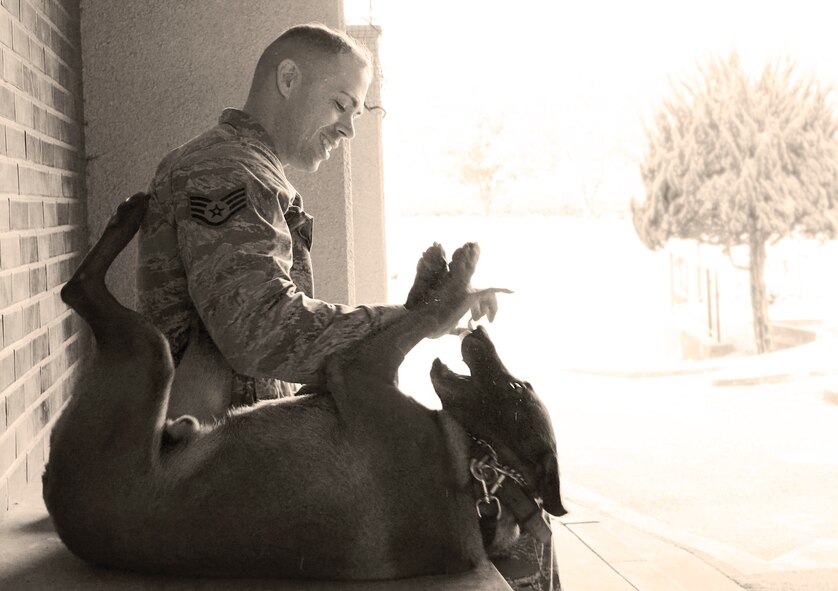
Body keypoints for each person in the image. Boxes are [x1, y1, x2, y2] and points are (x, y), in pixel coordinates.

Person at [137, 22, 556, 590]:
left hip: (238, 463)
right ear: (288, 79)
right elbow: (256, 332)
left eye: (359, 112)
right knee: (503, 531)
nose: (349, 128)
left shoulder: (249, 170)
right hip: (210, 472)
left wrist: (409, 324)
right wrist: (415, 323)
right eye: (341, 104)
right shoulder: (227, 172)